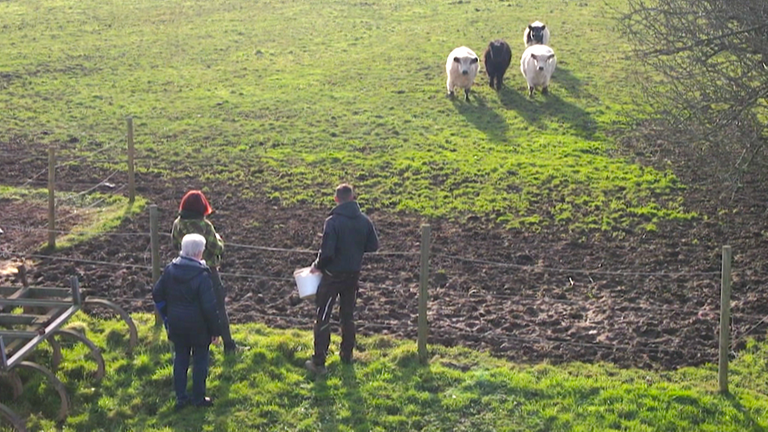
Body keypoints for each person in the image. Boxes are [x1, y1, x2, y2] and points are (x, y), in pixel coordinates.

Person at [305, 183, 379, 375]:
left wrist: (317, 266)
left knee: (323, 316)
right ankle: (347, 355)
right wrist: (355, 250)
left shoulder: (333, 222)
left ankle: (319, 362)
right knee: (347, 316)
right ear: (353, 198)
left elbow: (327, 253)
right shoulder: (364, 221)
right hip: (352, 275)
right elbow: (373, 246)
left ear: (336, 199)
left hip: (332, 276)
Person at [153, 233, 221, 409]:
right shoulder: (203, 276)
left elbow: (157, 294)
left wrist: (168, 315)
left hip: (176, 324)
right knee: (200, 361)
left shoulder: (170, 269)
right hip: (199, 329)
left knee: (180, 359)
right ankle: (198, 398)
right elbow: (209, 307)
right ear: (199, 252)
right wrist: (215, 331)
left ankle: (181, 398)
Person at [171, 190, 238, 354]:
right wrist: (219, 238)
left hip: (185, 271)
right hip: (208, 272)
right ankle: (229, 346)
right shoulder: (205, 226)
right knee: (218, 307)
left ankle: (195, 347)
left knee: (192, 308)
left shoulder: (178, 223)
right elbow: (217, 248)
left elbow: (174, 244)